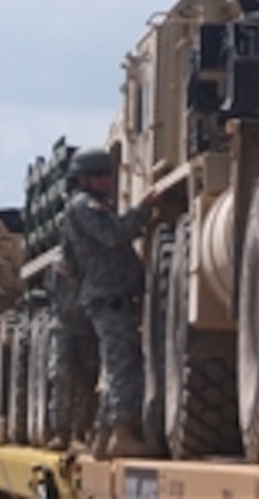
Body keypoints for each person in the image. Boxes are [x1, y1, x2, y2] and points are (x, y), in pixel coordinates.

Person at [62, 146, 159, 459]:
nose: (105, 181)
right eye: (98, 176)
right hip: (109, 296)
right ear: (82, 179)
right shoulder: (83, 206)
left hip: (108, 294)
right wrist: (143, 209)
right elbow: (113, 234)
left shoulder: (89, 206)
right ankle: (122, 432)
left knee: (115, 362)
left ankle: (103, 437)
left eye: (107, 175)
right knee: (122, 363)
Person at [43, 258, 99, 452]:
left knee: (86, 378)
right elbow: (52, 291)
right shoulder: (59, 261)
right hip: (64, 326)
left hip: (87, 325)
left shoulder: (91, 256)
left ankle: (79, 431)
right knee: (62, 376)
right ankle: (60, 431)